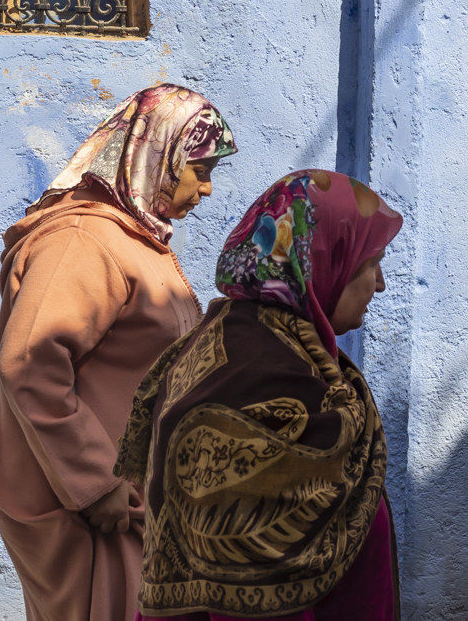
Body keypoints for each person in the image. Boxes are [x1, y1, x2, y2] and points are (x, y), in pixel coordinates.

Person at [0, 84, 238, 621]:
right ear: (161, 158)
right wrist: (94, 484)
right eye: (201, 169)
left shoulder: (133, 240)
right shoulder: (83, 241)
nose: (209, 189)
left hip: (130, 499)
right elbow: (29, 364)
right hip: (93, 510)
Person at [116, 169, 404, 620]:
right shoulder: (262, 377)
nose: (380, 284)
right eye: (371, 263)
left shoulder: (254, 348)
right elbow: (254, 585)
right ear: (327, 259)